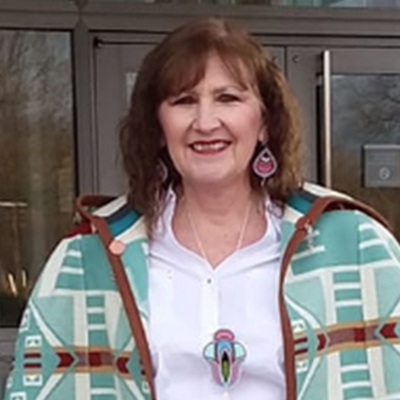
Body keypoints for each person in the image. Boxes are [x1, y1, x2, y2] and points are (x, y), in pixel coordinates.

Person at [3, 17, 400, 400]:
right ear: (159, 127)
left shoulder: (355, 246)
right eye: (184, 101)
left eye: (228, 98)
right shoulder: (87, 260)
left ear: (263, 122)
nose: (206, 121)